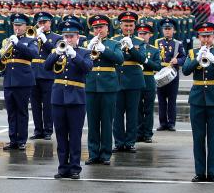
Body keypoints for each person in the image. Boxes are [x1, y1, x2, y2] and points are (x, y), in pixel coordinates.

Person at [182, 22, 214, 183]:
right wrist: (197, 59)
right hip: (197, 99)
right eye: (203, 36)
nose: (206, 39)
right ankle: (200, 172)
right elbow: (186, 70)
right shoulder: (192, 52)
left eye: (209, 36)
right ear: (199, 37)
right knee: (199, 137)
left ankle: (213, 171)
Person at [45, 20, 93, 179]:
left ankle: (74, 168)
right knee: (60, 134)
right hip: (58, 97)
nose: (68, 39)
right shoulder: (57, 50)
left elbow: (88, 68)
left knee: (75, 135)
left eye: (71, 36)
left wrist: (75, 55)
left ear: (77, 37)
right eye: (65, 36)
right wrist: (56, 54)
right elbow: (46, 66)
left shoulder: (84, 52)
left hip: (76, 98)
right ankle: (62, 167)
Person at [84, 14, 124, 165]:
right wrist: (88, 49)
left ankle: (106, 154)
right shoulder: (87, 43)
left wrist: (104, 49)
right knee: (92, 122)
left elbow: (120, 60)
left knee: (107, 122)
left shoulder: (114, 44)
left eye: (101, 27)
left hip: (108, 87)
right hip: (91, 86)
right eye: (95, 28)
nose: (98, 30)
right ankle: (93, 153)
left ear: (107, 28)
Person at [0, 13, 38, 151]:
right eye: (15, 25)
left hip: (23, 80)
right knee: (11, 112)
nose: (17, 27)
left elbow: (33, 54)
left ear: (25, 26)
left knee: (21, 111)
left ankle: (21, 140)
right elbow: (1, 57)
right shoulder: (7, 41)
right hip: (9, 79)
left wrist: (17, 43)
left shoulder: (30, 40)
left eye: (20, 25)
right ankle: (13, 140)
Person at [112, 11, 146, 153]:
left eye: (131, 25)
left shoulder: (139, 41)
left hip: (134, 81)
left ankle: (130, 142)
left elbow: (142, 59)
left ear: (135, 26)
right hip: (118, 80)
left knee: (132, 114)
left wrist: (131, 47)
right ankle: (119, 142)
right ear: (120, 25)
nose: (128, 28)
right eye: (125, 25)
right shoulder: (114, 40)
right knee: (117, 114)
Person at [30, 11, 60, 140]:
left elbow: (55, 52)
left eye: (44, 22)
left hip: (47, 74)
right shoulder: (32, 36)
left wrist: (43, 38)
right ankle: (38, 130)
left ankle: (48, 130)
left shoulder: (56, 37)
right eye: (40, 23)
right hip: (33, 73)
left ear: (50, 23)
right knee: (35, 105)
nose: (42, 25)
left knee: (48, 104)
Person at [155, 18, 186, 131]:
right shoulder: (157, 42)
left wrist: (177, 61)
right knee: (161, 99)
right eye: (165, 29)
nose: (167, 31)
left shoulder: (178, 44)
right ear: (162, 30)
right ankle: (163, 123)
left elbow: (183, 57)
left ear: (174, 30)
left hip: (173, 74)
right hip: (160, 72)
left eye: (169, 29)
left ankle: (171, 123)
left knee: (172, 100)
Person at [136, 21, 162, 143]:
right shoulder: (133, 48)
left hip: (148, 79)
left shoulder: (154, 50)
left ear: (150, 35)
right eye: (140, 33)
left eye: (145, 33)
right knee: (137, 108)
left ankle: (147, 133)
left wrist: (145, 60)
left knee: (148, 108)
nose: (142, 36)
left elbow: (157, 66)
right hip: (136, 78)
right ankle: (138, 132)